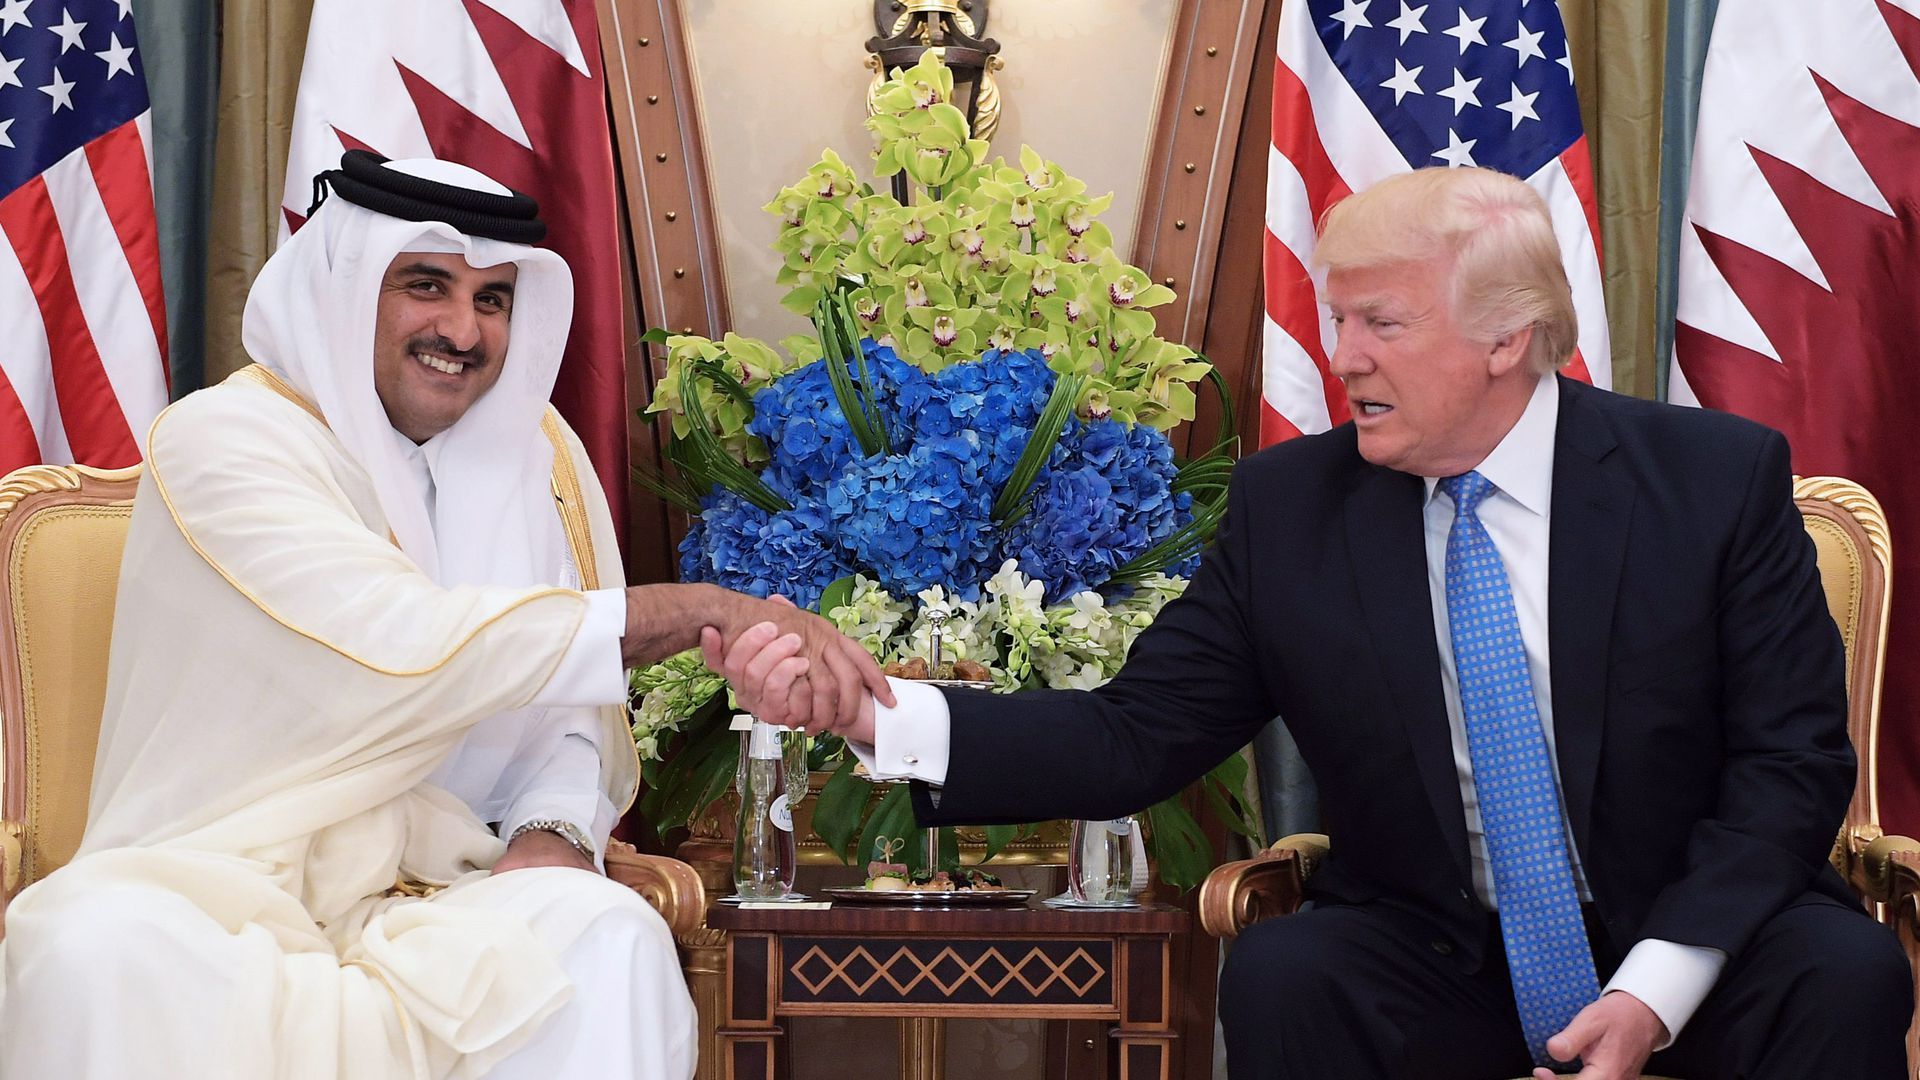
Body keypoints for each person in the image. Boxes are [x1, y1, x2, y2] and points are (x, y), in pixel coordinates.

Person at [714, 166, 1912, 1079]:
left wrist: (1654, 989)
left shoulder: (1710, 481)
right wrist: (878, 713)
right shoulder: (1297, 510)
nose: (1341, 361)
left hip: (1691, 938)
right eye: (1336, 323)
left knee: (1843, 970)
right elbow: (1136, 736)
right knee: (1291, 971)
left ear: (1508, 338)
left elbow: (1788, 767)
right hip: (1442, 957)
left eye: (1380, 325)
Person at [0, 152, 889, 1080]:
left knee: (606, 934)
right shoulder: (226, 440)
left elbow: (569, 719)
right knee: (91, 945)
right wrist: (703, 610)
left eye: (493, 299)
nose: (462, 330)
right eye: (426, 286)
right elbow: (406, 644)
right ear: (349, 290)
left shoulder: (538, 457)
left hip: (448, 889)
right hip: (218, 882)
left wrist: (556, 833)